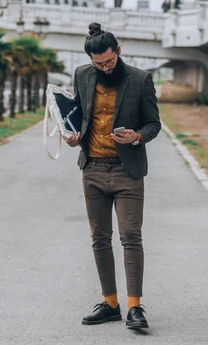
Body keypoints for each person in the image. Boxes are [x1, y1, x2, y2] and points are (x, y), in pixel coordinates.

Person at [64, 22, 161, 329]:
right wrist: (72, 134)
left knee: (131, 236)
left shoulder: (140, 80)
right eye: (99, 64)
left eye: (109, 61)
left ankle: (135, 308)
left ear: (118, 51)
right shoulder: (82, 75)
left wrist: (136, 136)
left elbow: (154, 125)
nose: (105, 68)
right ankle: (110, 303)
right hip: (92, 168)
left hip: (127, 172)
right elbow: (78, 114)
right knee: (99, 238)